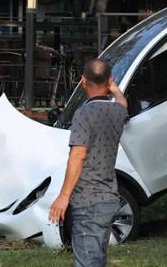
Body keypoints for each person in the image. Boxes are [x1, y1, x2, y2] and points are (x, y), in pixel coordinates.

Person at [49, 58, 128, 267]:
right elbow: (122, 102)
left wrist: (63, 196)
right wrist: (116, 89)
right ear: (109, 81)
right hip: (109, 198)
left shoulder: (83, 114)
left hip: (87, 202)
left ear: (83, 81)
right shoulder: (118, 112)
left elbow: (78, 156)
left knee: (87, 262)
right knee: (96, 260)